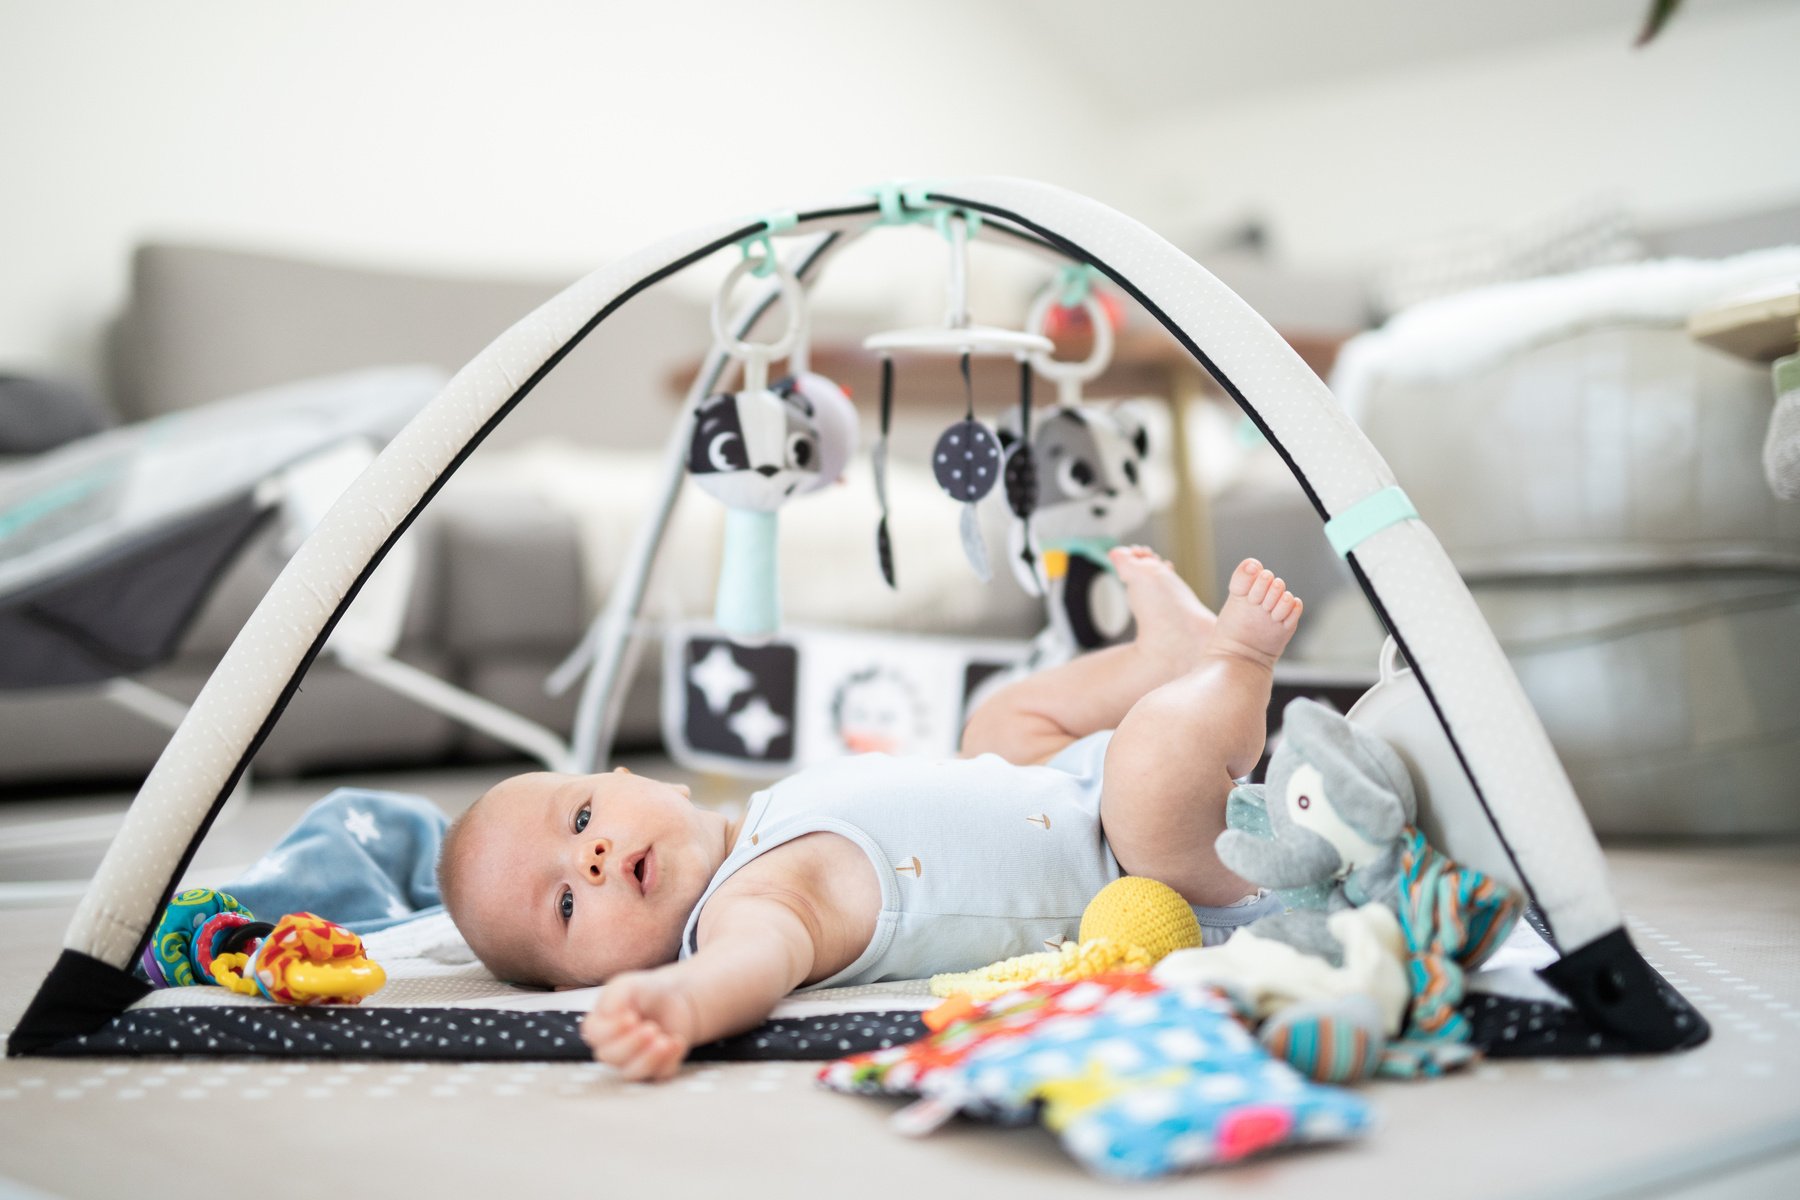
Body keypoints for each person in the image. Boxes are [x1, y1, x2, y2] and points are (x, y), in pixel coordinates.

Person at [437, 549, 1302, 1080]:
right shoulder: (749, 910)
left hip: (1061, 789)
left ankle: (1162, 658)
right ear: (579, 984)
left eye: (582, 817)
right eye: (563, 906)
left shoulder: (763, 818)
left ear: (642, 779)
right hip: (1142, 863)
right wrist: (680, 1003)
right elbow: (751, 971)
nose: (588, 860)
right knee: (1151, 764)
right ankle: (1234, 662)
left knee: (996, 722)